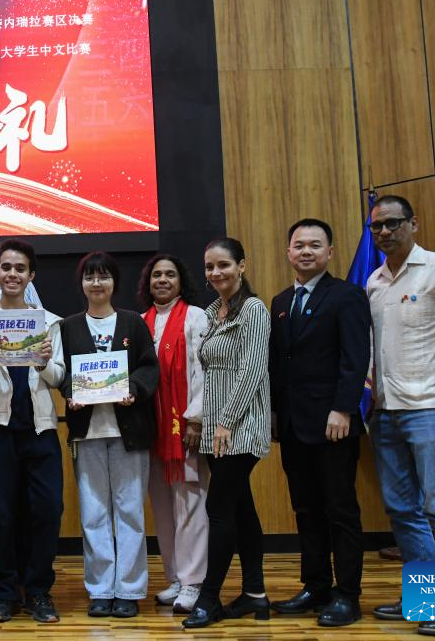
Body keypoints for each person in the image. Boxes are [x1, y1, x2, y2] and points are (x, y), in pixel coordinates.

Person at [365, 195, 435, 637]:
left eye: (393, 223)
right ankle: (427, 598)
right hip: (385, 412)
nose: (384, 232)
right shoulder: (373, 282)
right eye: (377, 226)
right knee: (402, 509)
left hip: (431, 408)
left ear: (413, 224)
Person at [268, 219, 371, 627]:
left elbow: (355, 358)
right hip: (293, 425)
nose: (306, 251)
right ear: (288, 252)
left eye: (315, 245)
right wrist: (274, 413)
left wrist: (343, 408)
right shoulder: (280, 301)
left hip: (334, 423)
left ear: (330, 252)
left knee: (340, 510)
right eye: (299, 245)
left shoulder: (347, 295)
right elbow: (278, 364)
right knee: (305, 509)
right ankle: (316, 587)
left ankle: (347, 595)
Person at [0, 239, 65, 624]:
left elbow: (59, 377)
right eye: (6, 267)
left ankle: (38, 590)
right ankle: (5, 593)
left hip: (40, 428)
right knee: (2, 513)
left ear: (31, 275)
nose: (12, 274)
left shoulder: (49, 321)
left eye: (20, 268)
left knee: (47, 510)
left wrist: (43, 363)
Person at [60, 252, 159, 619]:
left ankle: (129, 590)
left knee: (130, 511)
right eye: (90, 277)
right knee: (93, 514)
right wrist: (70, 394)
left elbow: (150, 367)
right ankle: (100, 589)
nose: (96, 283)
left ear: (115, 283)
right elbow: (63, 373)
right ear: (82, 284)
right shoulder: (69, 326)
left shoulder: (133, 323)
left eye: (103, 276)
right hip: (87, 433)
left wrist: (133, 388)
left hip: (128, 432)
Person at [183, 238, 272, 629]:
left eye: (224, 265)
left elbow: (252, 370)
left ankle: (208, 599)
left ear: (242, 266)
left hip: (240, 427)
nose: (216, 272)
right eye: (210, 266)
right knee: (240, 509)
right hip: (215, 429)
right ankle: (255, 594)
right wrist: (205, 421)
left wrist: (227, 421)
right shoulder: (210, 312)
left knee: (218, 510)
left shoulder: (253, 309)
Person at [137, 253, 210, 614]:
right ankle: (176, 578)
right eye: (156, 275)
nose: (162, 280)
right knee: (163, 509)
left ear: (181, 281)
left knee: (190, 506)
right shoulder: (139, 322)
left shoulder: (196, 317)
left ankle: (194, 581)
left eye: (170, 274)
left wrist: (195, 419)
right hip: (151, 432)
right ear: (148, 282)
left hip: (185, 430)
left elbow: (202, 372)